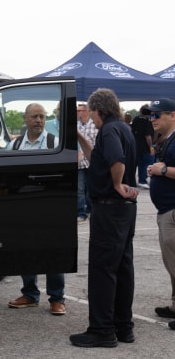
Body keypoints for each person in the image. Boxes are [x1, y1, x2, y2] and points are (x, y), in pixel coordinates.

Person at [70, 88, 138, 348]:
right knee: (122, 268)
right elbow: (96, 158)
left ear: (97, 110)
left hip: (109, 208)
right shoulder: (122, 129)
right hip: (124, 210)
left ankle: (101, 330)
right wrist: (78, 135)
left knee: (102, 270)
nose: (91, 118)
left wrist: (118, 183)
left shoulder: (109, 130)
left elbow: (116, 160)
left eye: (91, 112)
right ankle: (124, 327)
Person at [8, 102, 65, 315]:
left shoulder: (54, 142)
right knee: (26, 250)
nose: (39, 120)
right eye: (34, 116)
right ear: (25, 119)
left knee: (53, 252)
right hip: (24, 207)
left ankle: (57, 298)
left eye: (42, 116)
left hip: (48, 206)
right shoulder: (14, 146)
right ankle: (30, 294)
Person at [144, 98, 175, 329]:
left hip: (173, 211)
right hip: (166, 210)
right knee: (170, 262)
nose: (152, 119)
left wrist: (162, 169)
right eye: (150, 115)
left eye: (157, 115)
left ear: (172, 115)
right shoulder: (166, 139)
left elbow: (166, 169)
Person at [76, 103, 98, 223]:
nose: (78, 113)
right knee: (79, 189)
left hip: (91, 162)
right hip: (80, 162)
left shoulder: (95, 125)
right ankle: (81, 212)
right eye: (77, 110)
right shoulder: (76, 126)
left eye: (80, 110)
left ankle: (91, 209)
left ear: (87, 112)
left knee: (91, 188)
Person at [131, 104, 155, 189]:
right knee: (147, 162)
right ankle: (142, 180)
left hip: (135, 146)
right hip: (145, 147)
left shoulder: (136, 119)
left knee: (137, 164)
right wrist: (151, 148)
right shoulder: (147, 121)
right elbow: (148, 136)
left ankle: (132, 181)